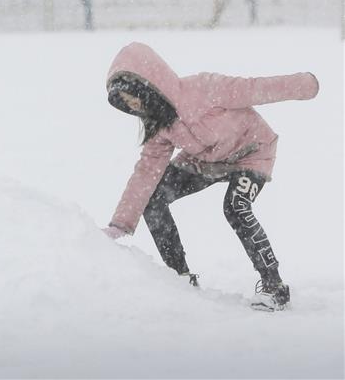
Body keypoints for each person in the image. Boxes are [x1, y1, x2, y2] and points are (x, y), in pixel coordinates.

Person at [101, 42, 318, 312]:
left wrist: (303, 85)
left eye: (132, 96)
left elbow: (254, 89)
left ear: (150, 85)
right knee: (153, 198)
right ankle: (179, 278)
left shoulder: (204, 89)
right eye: (125, 103)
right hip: (206, 161)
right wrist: (120, 224)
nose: (132, 105)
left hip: (251, 152)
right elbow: (146, 172)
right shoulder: (160, 126)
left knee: (235, 207)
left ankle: (275, 287)